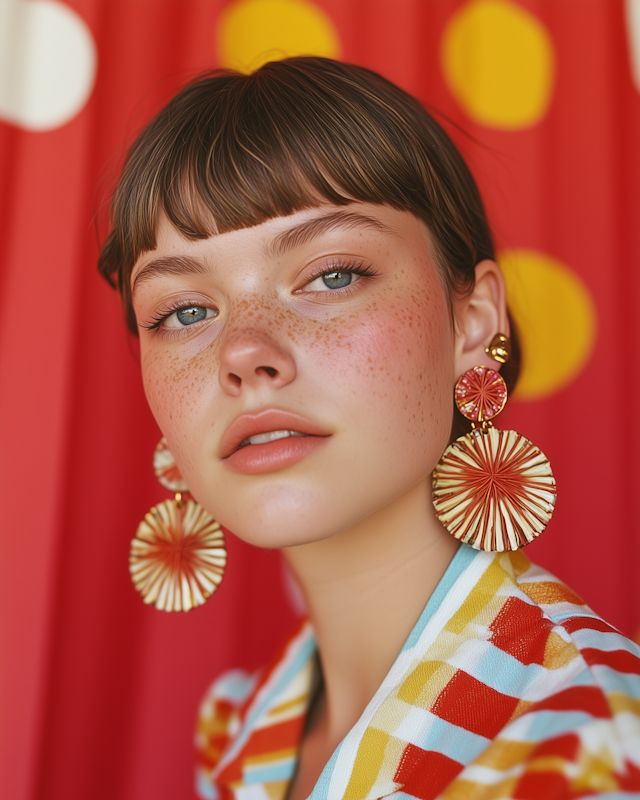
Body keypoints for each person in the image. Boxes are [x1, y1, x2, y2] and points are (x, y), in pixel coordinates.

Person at [98, 57, 640, 800]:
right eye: (184, 312)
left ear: (473, 321)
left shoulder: (592, 742)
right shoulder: (236, 732)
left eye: (333, 274)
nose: (245, 354)